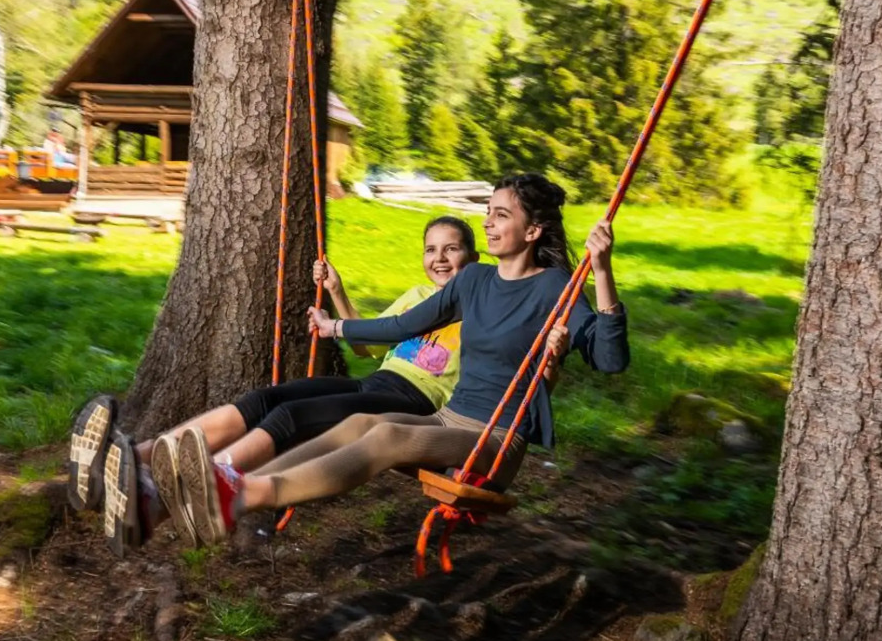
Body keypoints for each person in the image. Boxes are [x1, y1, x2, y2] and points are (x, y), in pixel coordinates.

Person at [168, 172, 630, 546]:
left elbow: (609, 358)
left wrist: (603, 270)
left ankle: (244, 493)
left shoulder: (554, 288)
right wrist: (337, 327)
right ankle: (226, 485)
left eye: (501, 215)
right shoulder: (474, 282)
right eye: (488, 212)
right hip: (451, 418)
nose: (488, 223)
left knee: (387, 432)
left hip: (497, 437)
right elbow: (403, 325)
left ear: (532, 231)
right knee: (357, 426)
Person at [67, 216, 479, 554]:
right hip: (377, 382)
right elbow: (367, 343)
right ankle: (133, 459)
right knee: (264, 398)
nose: (439, 259)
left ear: (472, 257)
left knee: (292, 417)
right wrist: (336, 291)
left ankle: (162, 499)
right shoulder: (418, 296)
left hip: (414, 403)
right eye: (431, 249)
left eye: (451, 249)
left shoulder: (483, 313)